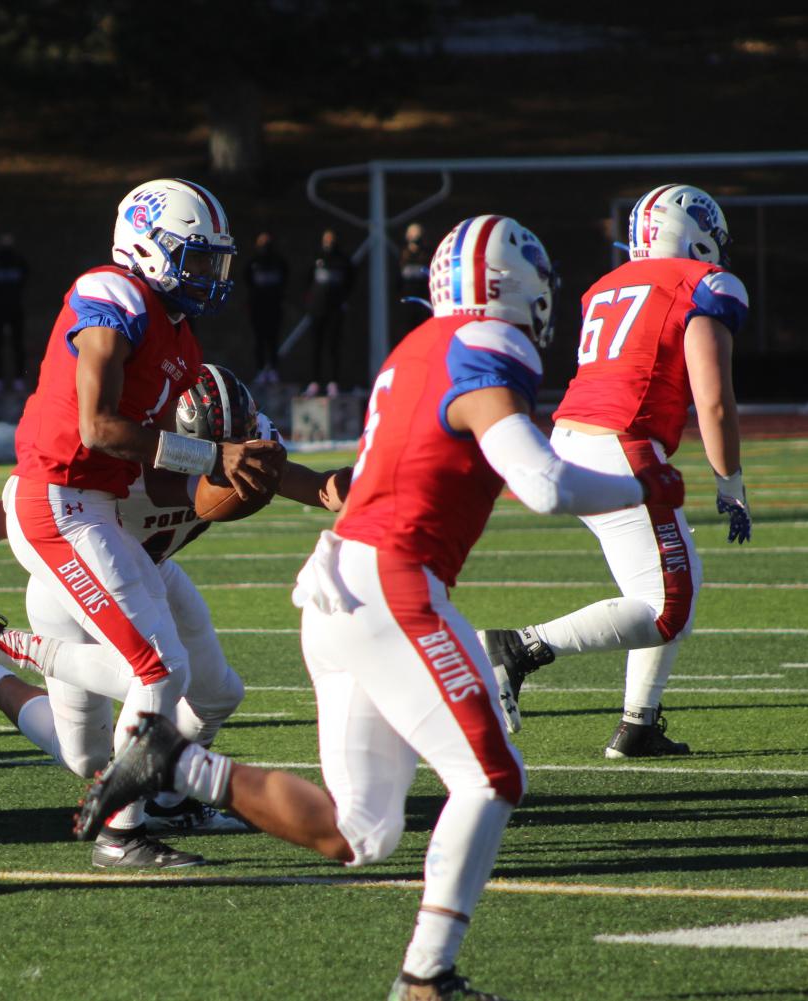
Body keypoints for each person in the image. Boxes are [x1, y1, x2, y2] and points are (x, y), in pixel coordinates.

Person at [74, 216, 686, 1001]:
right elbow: (543, 484)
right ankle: (426, 975)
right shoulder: (487, 347)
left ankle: (176, 762)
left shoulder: (414, 350)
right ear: (507, 286)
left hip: (339, 586)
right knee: (492, 777)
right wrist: (649, 484)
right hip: (391, 585)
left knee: (361, 832)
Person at [0, 178, 283, 869]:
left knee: (190, 695)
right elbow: (97, 430)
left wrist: (333, 490)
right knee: (150, 682)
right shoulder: (114, 302)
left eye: (213, 261)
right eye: (194, 259)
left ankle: (148, 783)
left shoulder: (179, 344)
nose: (207, 275)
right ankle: (118, 825)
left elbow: (265, 468)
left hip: (116, 546)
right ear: (146, 248)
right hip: (66, 523)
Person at [0, 365, 353, 839]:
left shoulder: (249, 443)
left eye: (239, 446)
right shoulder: (121, 459)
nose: (234, 459)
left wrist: (367, 486)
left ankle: (170, 802)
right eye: (219, 454)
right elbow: (18, 510)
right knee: (91, 751)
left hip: (149, 571)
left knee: (216, 695)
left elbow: (312, 485)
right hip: (74, 587)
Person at [478, 183, 751, 757]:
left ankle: (639, 724)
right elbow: (715, 401)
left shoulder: (607, 285)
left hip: (572, 435)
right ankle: (517, 647)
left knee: (669, 582)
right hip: (621, 441)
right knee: (668, 605)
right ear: (698, 233)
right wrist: (730, 483)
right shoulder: (704, 284)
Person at [303, 227, 355, 395]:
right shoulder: (317, 258)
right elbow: (307, 279)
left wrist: (343, 300)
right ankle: (314, 382)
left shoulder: (343, 260)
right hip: (318, 309)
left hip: (335, 309)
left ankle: (333, 382)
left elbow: (351, 280)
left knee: (333, 345)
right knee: (315, 345)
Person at [0, 233, 29, 392]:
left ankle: (18, 378)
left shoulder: (18, 261)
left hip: (14, 307)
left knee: (17, 344)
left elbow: (25, 280)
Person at [244, 231, 289, 384]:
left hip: (274, 307)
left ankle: (273, 370)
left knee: (273, 339)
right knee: (259, 340)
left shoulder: (279, 263)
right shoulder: (253, 263)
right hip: (258, 307)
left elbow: (285, 281)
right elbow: (248, 282)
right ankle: (261, 370)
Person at [397, 221, 432, 343]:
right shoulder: (402, 256)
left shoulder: (427, 256)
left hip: (424, 302)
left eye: (418, 235)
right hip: (408, 302)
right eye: (412, 235)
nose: (415, 238)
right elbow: (397, 282)